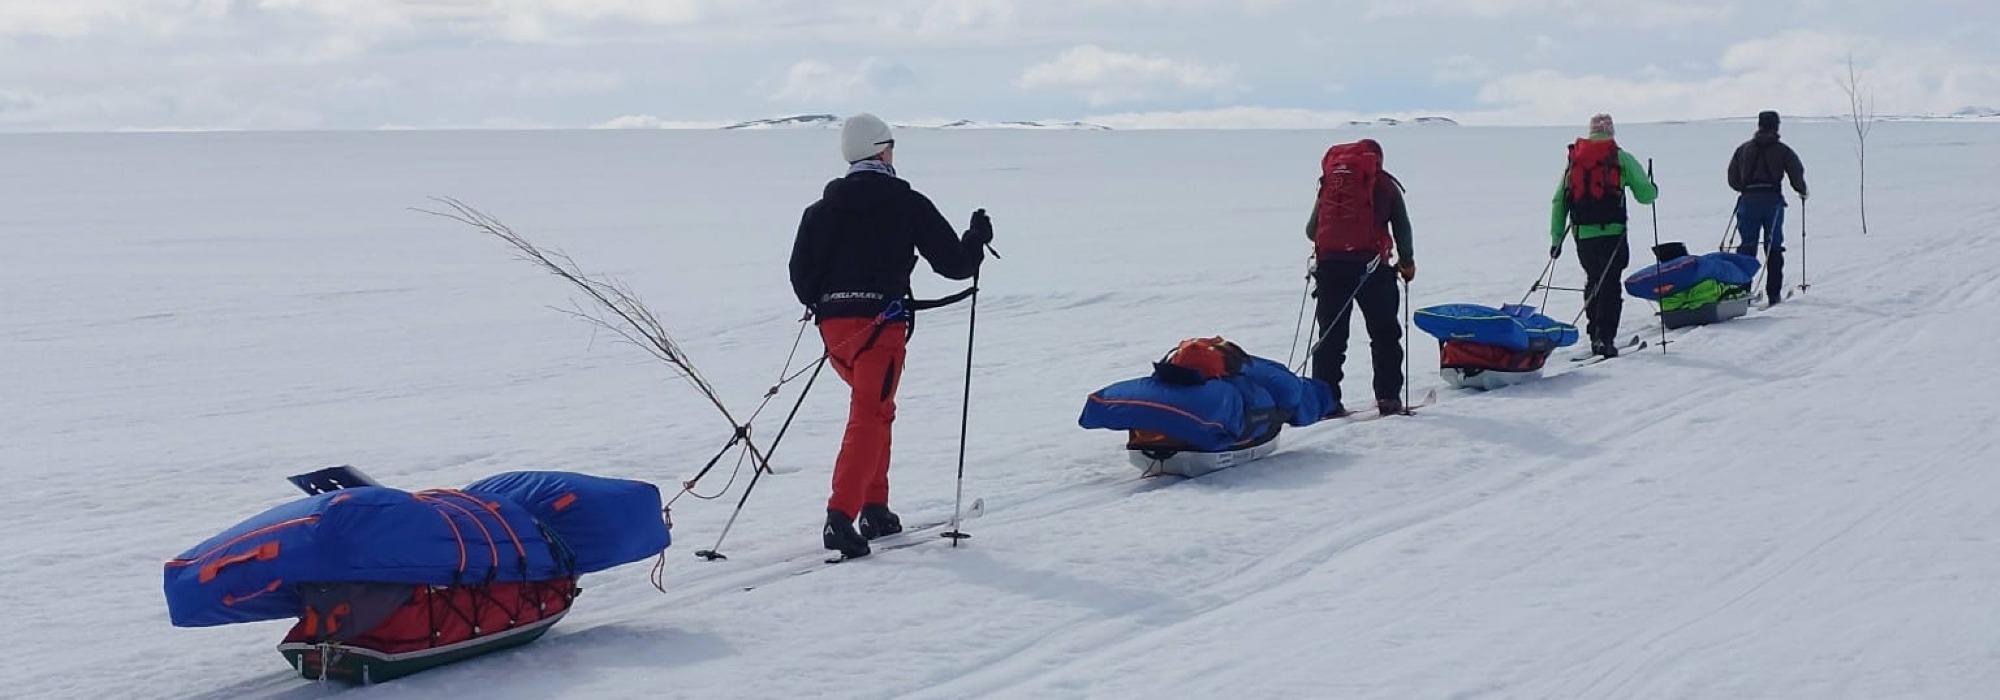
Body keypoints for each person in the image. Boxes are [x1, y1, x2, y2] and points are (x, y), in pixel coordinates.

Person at [788, 113, 992, 559]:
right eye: (892, 146)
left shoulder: (821, 211)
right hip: (881, 329)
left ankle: (875, 509)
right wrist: (976, 239)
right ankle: (841, 516)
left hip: (835, 333)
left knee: (876, 411)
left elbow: (800, 275)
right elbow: (955, 264)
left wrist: (832, 302)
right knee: (869, 415)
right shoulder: (907, 202)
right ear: (882, 151)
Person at [1305, 138, 1415, 416]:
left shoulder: (1331, 185)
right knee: (1384, 334)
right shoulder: (1385, 185)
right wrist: (1407, 263)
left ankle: (1325, 403)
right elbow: (1402, 228)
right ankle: (1388, 400)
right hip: (1372, 268)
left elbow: (1311, 230)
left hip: (1330, 268)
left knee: (1330, 337)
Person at [1549, 113, 1658, 358]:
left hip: (1583, 236)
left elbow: (1559, 200)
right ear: (1611, 132)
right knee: (1610, 284)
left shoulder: (1574, 162)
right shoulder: (1621, 158)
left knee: (1594, 279)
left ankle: (1594, 334)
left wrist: (1557, 239)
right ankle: (1604, 338)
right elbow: (1645, 195)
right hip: (1613, 233)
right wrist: (1653, 188)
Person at [1727, 110, 1809, 305]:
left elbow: (1732, 177)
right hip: (1772, 202)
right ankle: (1773, 294)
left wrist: (1744, 189)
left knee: (1747, 246)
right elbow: (1796, 171)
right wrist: (1802, 190)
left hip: (1748, 202)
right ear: (1777, 126)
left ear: (1759, 125)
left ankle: (1742, 293)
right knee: (1773, 246)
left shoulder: (1743, 149)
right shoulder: (1783, 150)